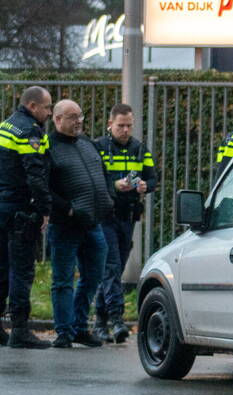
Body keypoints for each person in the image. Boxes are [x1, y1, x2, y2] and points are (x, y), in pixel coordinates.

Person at [0, 86, 53, 349]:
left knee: (3, 265)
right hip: (19, 208)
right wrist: (45, 208)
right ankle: (20, 330)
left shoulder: (6, 125)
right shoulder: (29, 131)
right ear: (33, 106)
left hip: (0, 204)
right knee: (22, 269)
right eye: (47, 107)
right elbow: (35, 173)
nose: (49, 112)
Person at [46, 100, 111, 349]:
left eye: (80, 116)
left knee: (93, 277)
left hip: (93, 223)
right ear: (57, 119)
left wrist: (109, 198)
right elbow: (44, 188)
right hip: (65, 225)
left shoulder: (87, 143)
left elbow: (102, 173)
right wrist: (68, 209)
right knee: (63, 280)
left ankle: (79, 327)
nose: (79, 121)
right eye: (72, 117)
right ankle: (64, 332)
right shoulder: (49, 147)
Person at [93, 103, 158, 343]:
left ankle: (99, 322)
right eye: (120, 125)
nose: (125, 130)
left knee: (116, 267)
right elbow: (92, 179)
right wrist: (114, 186)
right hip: (105, 215)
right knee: (111, 266)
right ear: (110, 124)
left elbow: (153, 179)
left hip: (128, 216)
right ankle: (116, 320)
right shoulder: (98, 147)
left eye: (129, 125)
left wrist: (144, 186)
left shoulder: (140, 150)